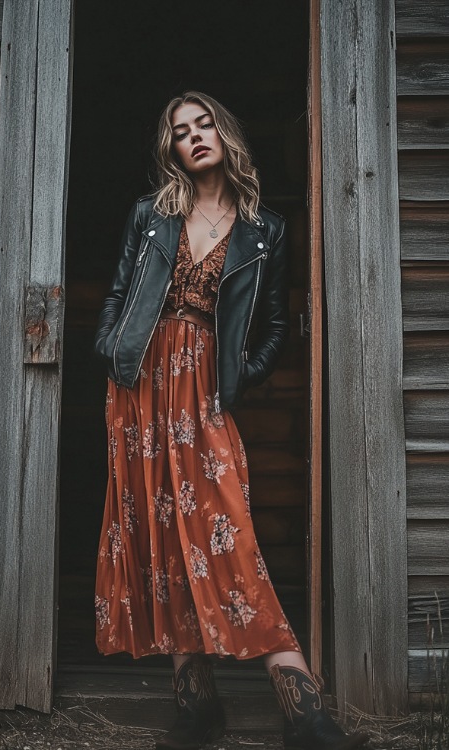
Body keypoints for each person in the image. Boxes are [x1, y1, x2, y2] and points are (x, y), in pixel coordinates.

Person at [94, 91, 368, 750]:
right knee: (164, 536)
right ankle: (195, 709)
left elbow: (275, 325)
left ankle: (304, 714)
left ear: (223, 133)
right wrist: (109, 346)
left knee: (226, 536)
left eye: (203, 123)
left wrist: (240, 377)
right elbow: (117, 293)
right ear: (172, 150)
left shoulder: (265, 229)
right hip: (139, 391)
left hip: (206, 394)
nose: (194, 136)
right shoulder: (151, 216)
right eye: (180, 131)